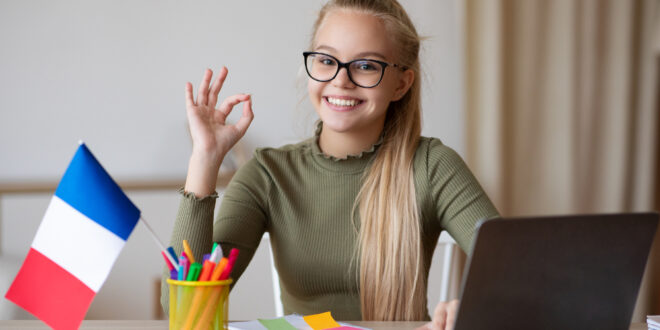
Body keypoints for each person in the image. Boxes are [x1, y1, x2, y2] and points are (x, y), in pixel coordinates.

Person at [161, 0, 499, 329]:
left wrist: (467, 311)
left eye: (366, 65)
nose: (341, 80)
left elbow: (518, 280)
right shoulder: (268, 175)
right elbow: (182, 310)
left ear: (401, 84)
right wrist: (205, 158)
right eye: (326, 60)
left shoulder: (433, 167)